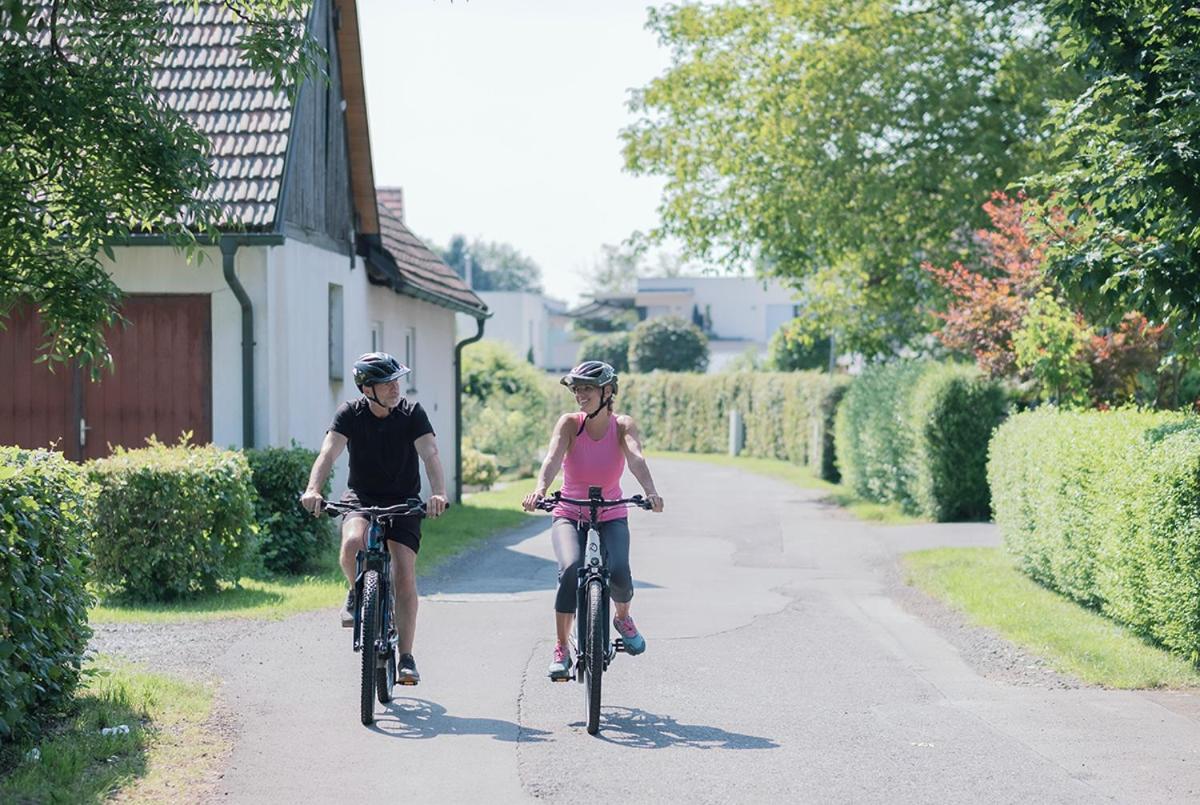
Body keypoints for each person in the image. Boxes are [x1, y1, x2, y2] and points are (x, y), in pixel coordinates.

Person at [301, 351, 448, 686]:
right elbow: (329, 452)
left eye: (397, 381)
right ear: (368, 389)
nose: (395, 388)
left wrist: (438, 493)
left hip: (405, 501)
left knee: (404, 574)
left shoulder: (413, 413)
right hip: (362, 498)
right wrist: (313, 489)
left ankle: (406, 657)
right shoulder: (350, 414)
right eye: (386, 383)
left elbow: (430, 453)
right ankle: (356, 593)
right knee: (352, 543)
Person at [521, 360, 664, 680]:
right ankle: (561, 647)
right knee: (570, 568)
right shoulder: (570, 424)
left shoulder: (623, 425)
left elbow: (636, 457)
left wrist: (651, 492)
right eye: (576, 389)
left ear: (608, 391)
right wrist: (540, 489)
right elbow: (553, 457)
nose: (579, 395)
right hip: (570, 511)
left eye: (587, 388)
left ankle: (622, 618)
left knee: (621, 573)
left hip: (611, 511)